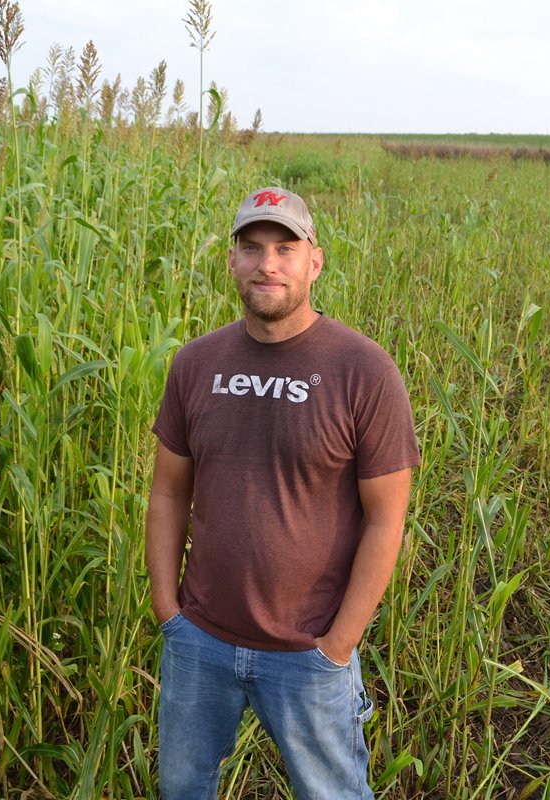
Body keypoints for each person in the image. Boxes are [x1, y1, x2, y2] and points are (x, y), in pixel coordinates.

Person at [146, 186, 421, 799]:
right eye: (252, 247)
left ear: (314, 262)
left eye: (284, 248)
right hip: (201, 644)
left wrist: (336, 646)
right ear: (232, 261)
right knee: (181, 789)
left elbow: (386, 521)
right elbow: (167, 494)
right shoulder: (195, 364)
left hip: (309, 655)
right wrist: (171, 614)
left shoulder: (364, 371)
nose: (267, 263)